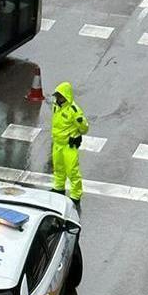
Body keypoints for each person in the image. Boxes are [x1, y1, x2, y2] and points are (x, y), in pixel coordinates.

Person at [50, 82, 89, 210]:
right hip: (57, 144)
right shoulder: (56, 106)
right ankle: (59, 188)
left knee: (72, 170)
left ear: (65, 96)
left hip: (68, 145)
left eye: (60, 96)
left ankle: (76, 195)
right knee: (58, 168)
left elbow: (84, 127)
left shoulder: (74, 111)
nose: (58, 99)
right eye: (57, 96)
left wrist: (76, 134)